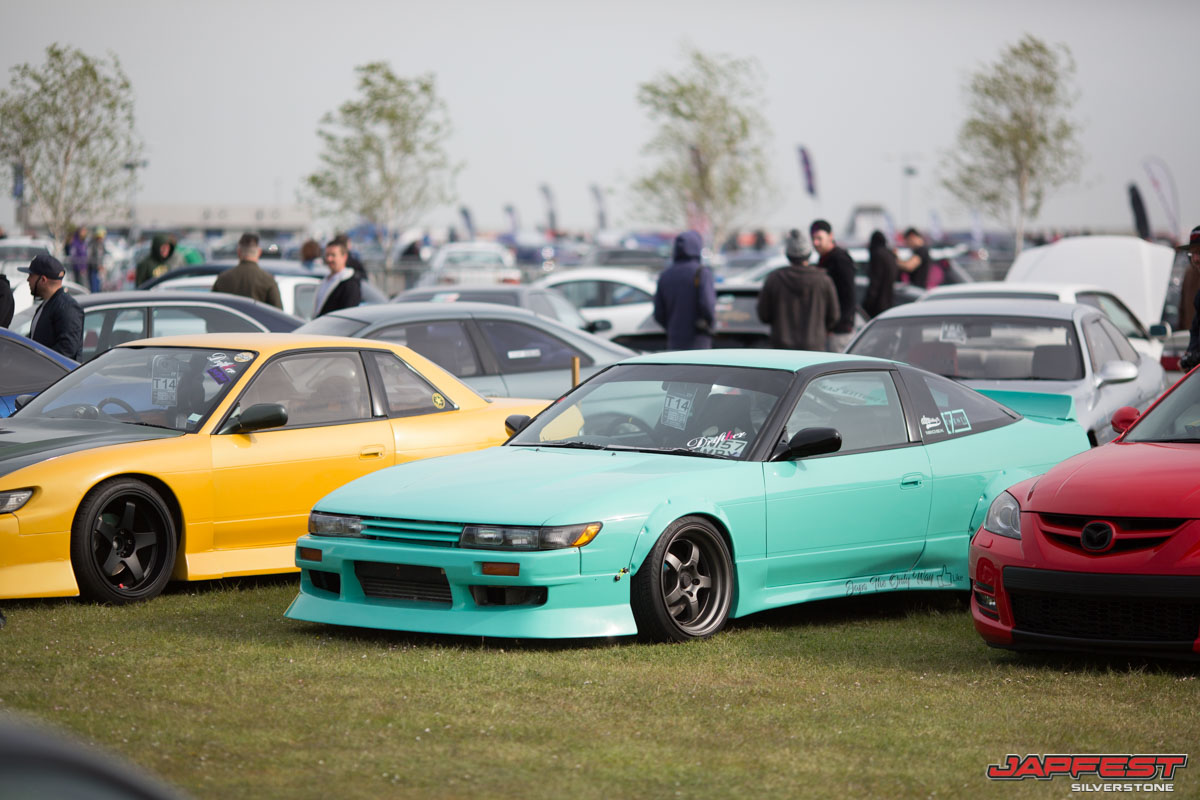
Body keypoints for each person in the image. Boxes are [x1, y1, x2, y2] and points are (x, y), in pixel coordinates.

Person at [755, 230, 839, 351]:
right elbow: (834, 316)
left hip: (782, 348)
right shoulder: (823, 280)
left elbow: (764, 315)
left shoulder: (774, 279)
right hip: (815, 348)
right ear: (809, 254)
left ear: (788, 255)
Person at [653, 230, 716, 350]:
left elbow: (658, 313)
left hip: (674, 340)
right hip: (698, 340)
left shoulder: (665, 275)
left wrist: (672, 327)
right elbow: (707, 305)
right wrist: (710, 325)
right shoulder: (702, 272)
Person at [19, 254, 82, 360]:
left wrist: (39, 362)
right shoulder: (47, 305)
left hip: (53, 371)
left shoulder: (67, 307)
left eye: (31, 275)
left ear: (43, 280)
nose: (28, 279)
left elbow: (67, 350)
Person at [810, 219, 856, 353]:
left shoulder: (840, 259)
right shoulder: (825, 259)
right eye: (813, 239)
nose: (815, 243)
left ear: (831, 236)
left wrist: (838, 326)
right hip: (829, 330)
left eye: (819, 238)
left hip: (839, 332)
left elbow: (849, 295)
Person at [212, 232, 282, 308]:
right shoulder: (268, 280)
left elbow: (213, 308)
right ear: (259, 252)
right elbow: (278, 311)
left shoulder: (223, 278)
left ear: (238, 252)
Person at [314, 238, 362, 317]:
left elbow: (348, 315)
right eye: (327, 255)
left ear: (344, 257)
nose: (329, 259)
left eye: (333, 255)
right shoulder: (326, 280)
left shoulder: (350, 284)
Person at [1178, 226, 1200, 372]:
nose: (1196, 259)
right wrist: (1190, 356)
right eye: (1192, 253)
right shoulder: (1189, 275)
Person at [863, 230, 899, 318]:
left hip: (878, 305)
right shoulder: (889, 254)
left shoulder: (877, 254)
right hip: (889, 301)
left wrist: (867, 303)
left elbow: (875, 281)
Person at [87, 227, 107, 293]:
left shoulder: (101, 245)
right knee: (94, 287)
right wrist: (97, 266)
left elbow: (102, 256)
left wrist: (102, 266)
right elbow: (90, 257)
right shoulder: (92, 244)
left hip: (99, 270)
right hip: (93, 269)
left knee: (99, 286)